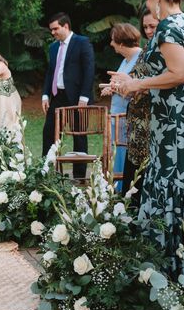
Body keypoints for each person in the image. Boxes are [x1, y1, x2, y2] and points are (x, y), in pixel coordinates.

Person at [110, 0, 184, 274]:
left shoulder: (169, 26)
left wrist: (136, 85)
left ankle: (174, 263)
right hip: (183, 112)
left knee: (176, 178)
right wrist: (131, 80)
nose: (148, 1)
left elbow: (178, 73)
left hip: (177, 118)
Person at [41, 12, 95, 179]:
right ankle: (47, 173)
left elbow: (89, 69)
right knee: (48, 132)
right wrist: (45, 95)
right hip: (58, 96)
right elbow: (50, 73)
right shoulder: (53, 47)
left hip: (78, 98)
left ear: (66, 26)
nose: (53, 32)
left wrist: (84, 97)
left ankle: (79, 176)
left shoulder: (82, 42)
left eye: (55, 29)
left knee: (78, 135)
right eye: (51, 30)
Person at [119, 9, 158, 206]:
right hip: (136, 119)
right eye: (145, 27)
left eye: (153, 26)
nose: (149, 31)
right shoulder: (148, 49)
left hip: (149, 119)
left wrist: (134, 83)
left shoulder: (162, 50)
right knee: (133, 167)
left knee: (141, 169)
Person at [100, 23, 142, 191]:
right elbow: (119, 83)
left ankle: (124, 188)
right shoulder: (125, 60)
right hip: (117, 114)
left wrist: (115, 87)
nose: (111, 44)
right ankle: (116, 187)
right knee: (116, 149)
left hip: (128, 115)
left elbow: (136, 87)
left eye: (113, 40)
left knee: (124, 150)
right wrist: (111, 87)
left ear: (122, 43)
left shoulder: (139, 58)